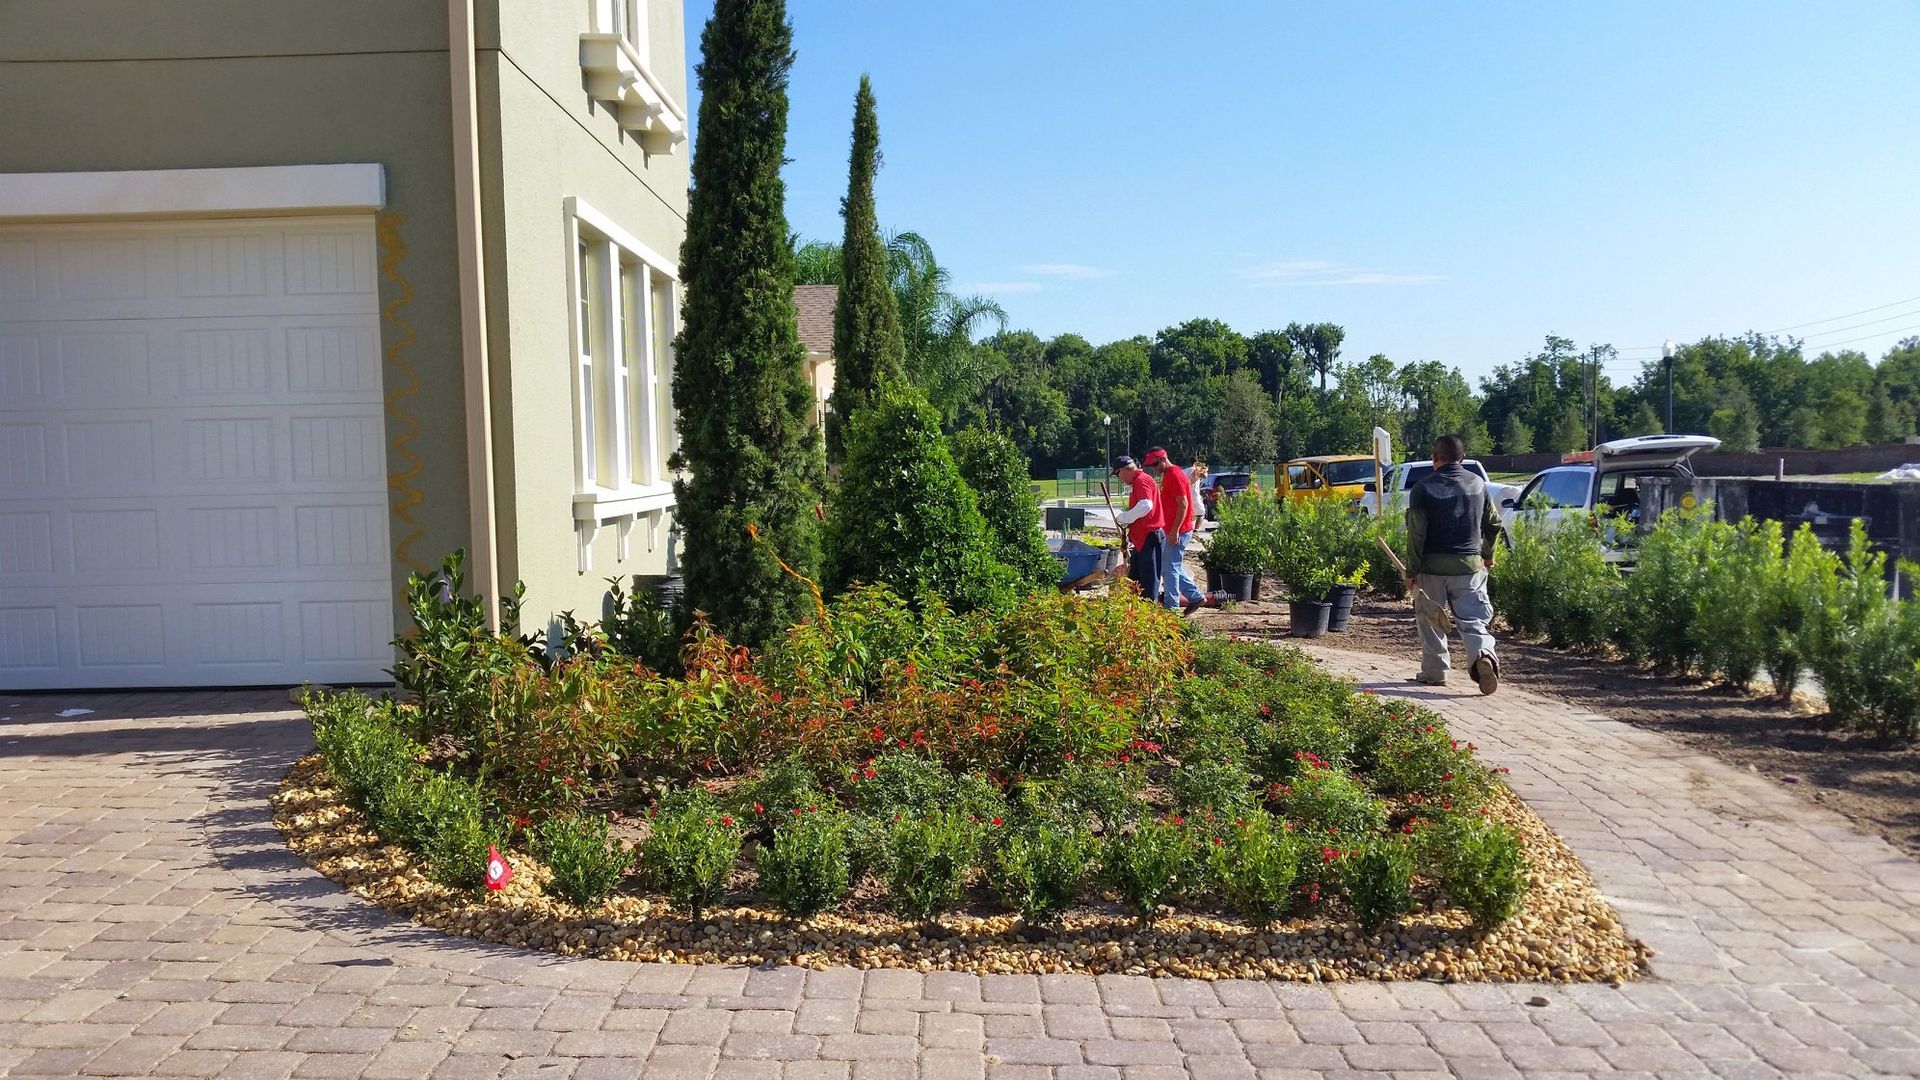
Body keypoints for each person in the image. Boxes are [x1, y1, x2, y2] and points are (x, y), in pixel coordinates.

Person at [1404, 434, 1501, 694]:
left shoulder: (1422, 489)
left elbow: (1417, 533)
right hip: (1469, 567)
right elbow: (1493, 523)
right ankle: (1483, 655)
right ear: (1463, 458)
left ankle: (1434, 672)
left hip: (1432, 568)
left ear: (1434, 458)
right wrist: (1488, 554)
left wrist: (1411, 570)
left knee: (1430, 619)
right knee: (1472, 621)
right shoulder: (1478, 484)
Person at [1144, 448, 1208, 614]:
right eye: (1152, 465)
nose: (1154, 468)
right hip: (1173, 529)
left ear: (1164, 459)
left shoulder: (1175, 475)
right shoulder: (1170, 475)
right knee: (1172, 567)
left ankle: (1171, 609)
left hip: (1178, 530)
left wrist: (1175, 531)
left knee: (1169, 569)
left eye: (1155, 464)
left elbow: (1184, 504)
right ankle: (1195, 596)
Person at [1110, 455, 1166, 604]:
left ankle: (1148, 615)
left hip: (1150, 538)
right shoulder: (1140, 481)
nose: (1119, 478)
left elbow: (1146, 505)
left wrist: (1124, 517)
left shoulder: (1142, 480)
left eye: (1117, 475)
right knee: (1136, 582)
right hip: (1143, 539)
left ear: (1122, 470)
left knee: (1148, 583)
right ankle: (1138, 614)